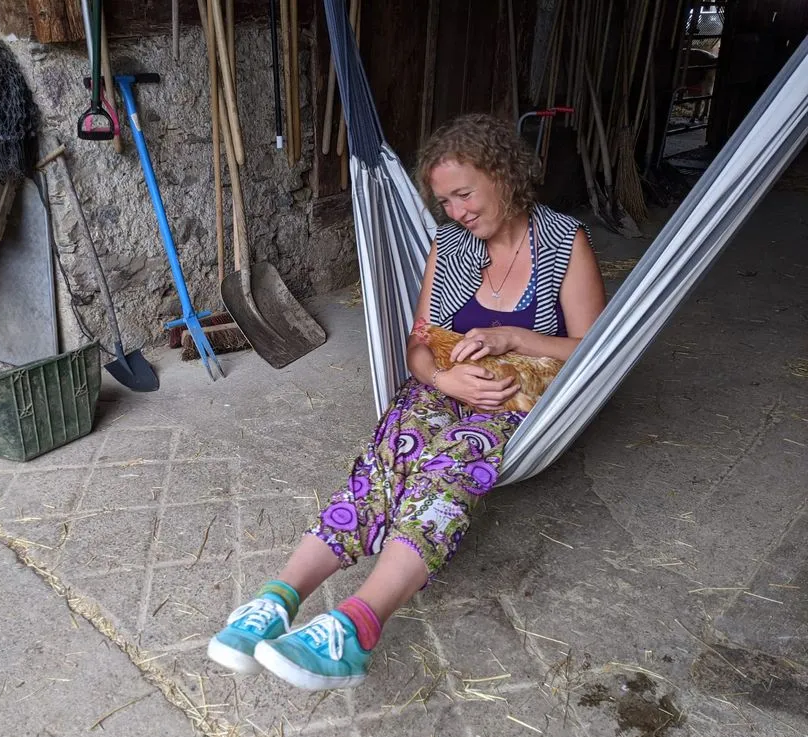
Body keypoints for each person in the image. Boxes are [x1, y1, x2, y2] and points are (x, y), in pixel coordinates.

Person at [207, 113, 607, 691]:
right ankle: (275, 601)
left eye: (465, 194)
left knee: (447, 470)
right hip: (441, 386)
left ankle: (356, 626)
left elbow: (592, 347)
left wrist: (514, 337)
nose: (457, 212)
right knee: (382, 467)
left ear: (503, 174)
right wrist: (444, 383)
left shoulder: (563, 242)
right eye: (445, 201)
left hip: (516, 404)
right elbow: (419, 345)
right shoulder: (450, 245)